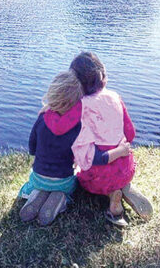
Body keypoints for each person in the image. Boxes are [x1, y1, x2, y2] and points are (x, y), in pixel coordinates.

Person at [18, 69, 131, 226]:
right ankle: (61, 199)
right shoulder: (79, 127)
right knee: (73, 179)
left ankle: (36, 194)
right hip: (63, 181)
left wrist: (36, 158)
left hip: (39, 176)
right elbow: (96, 158)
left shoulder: (42, 118)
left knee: (36, 182)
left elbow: (32, 145)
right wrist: (120, 151)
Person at [70, 52, 153, 226]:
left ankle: (110, 193)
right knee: (116, 172)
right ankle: (119, 189)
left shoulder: (80, 107)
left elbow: (75, 142)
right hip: (125, 168)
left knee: (82, 175)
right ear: (103, 77)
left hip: (97, 176)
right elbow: (130, 134)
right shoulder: (115, 98)